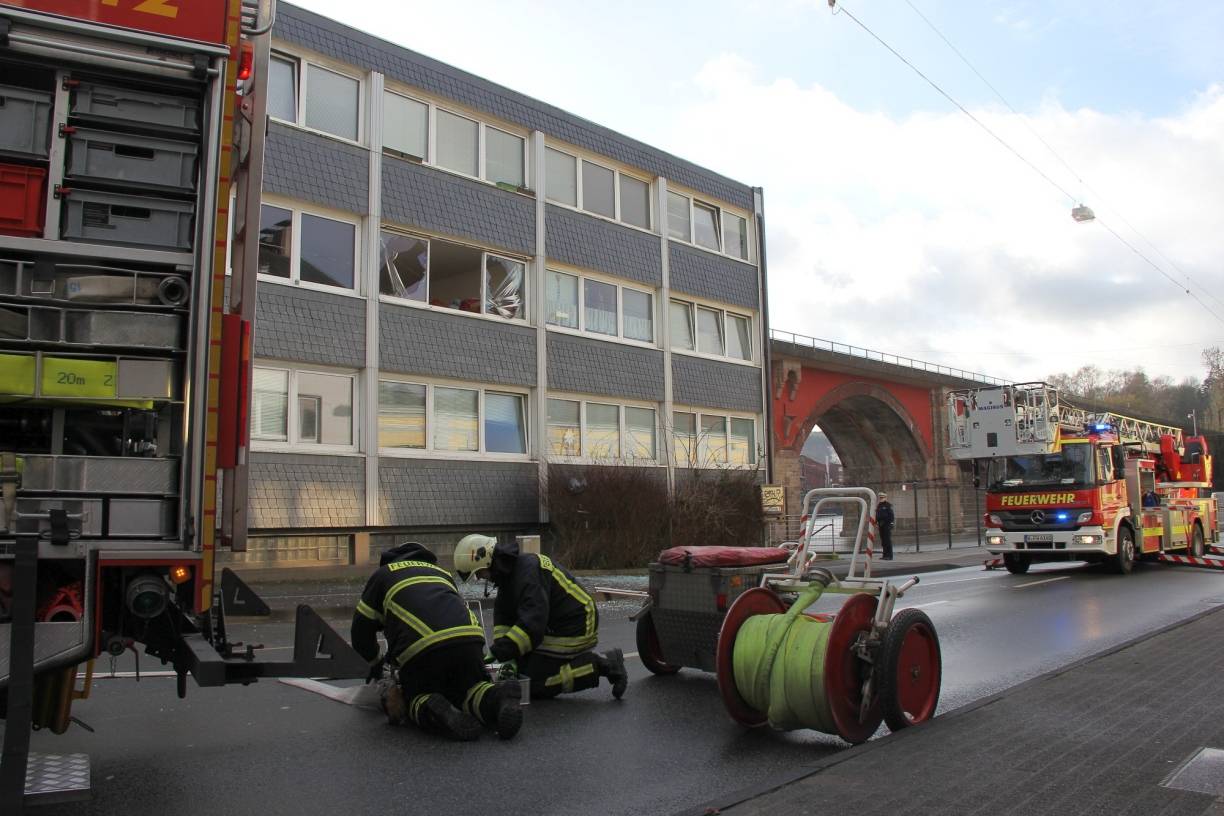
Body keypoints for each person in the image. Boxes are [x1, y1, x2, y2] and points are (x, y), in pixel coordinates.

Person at [350, 541, 522, 741]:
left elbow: (360, 633)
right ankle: (497, 698)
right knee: (471, 689)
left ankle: (432, 706)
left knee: (414, 696)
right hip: (469, 640)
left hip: (423, 648)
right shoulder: (442, 573)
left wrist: (377, 667)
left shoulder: (384, 574)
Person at [452, 534, 628, 701]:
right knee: (522, 666)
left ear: (487, 560)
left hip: (577, 624)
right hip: (556, 624)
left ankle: (602, 665)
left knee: (534, 683)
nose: (481, 577)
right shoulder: (509, 575)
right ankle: (589, 663)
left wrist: (499, 652)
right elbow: (503, 619)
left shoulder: (527, 573)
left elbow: (533, 625)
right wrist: (506, 654)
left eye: (480, 573)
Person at [876, 492, 895, 560]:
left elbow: (891, 515)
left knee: (887, 540)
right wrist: (876, 522)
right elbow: (877, 515)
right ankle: (884, 555)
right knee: (883, 541)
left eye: (882, 497)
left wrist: (891, 523)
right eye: (880, 497)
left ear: (885, 498)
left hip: (887, 524)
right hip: (881, 524)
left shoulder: (888, 505)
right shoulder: (879, 505)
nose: (881, 498)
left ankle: (889, 556)